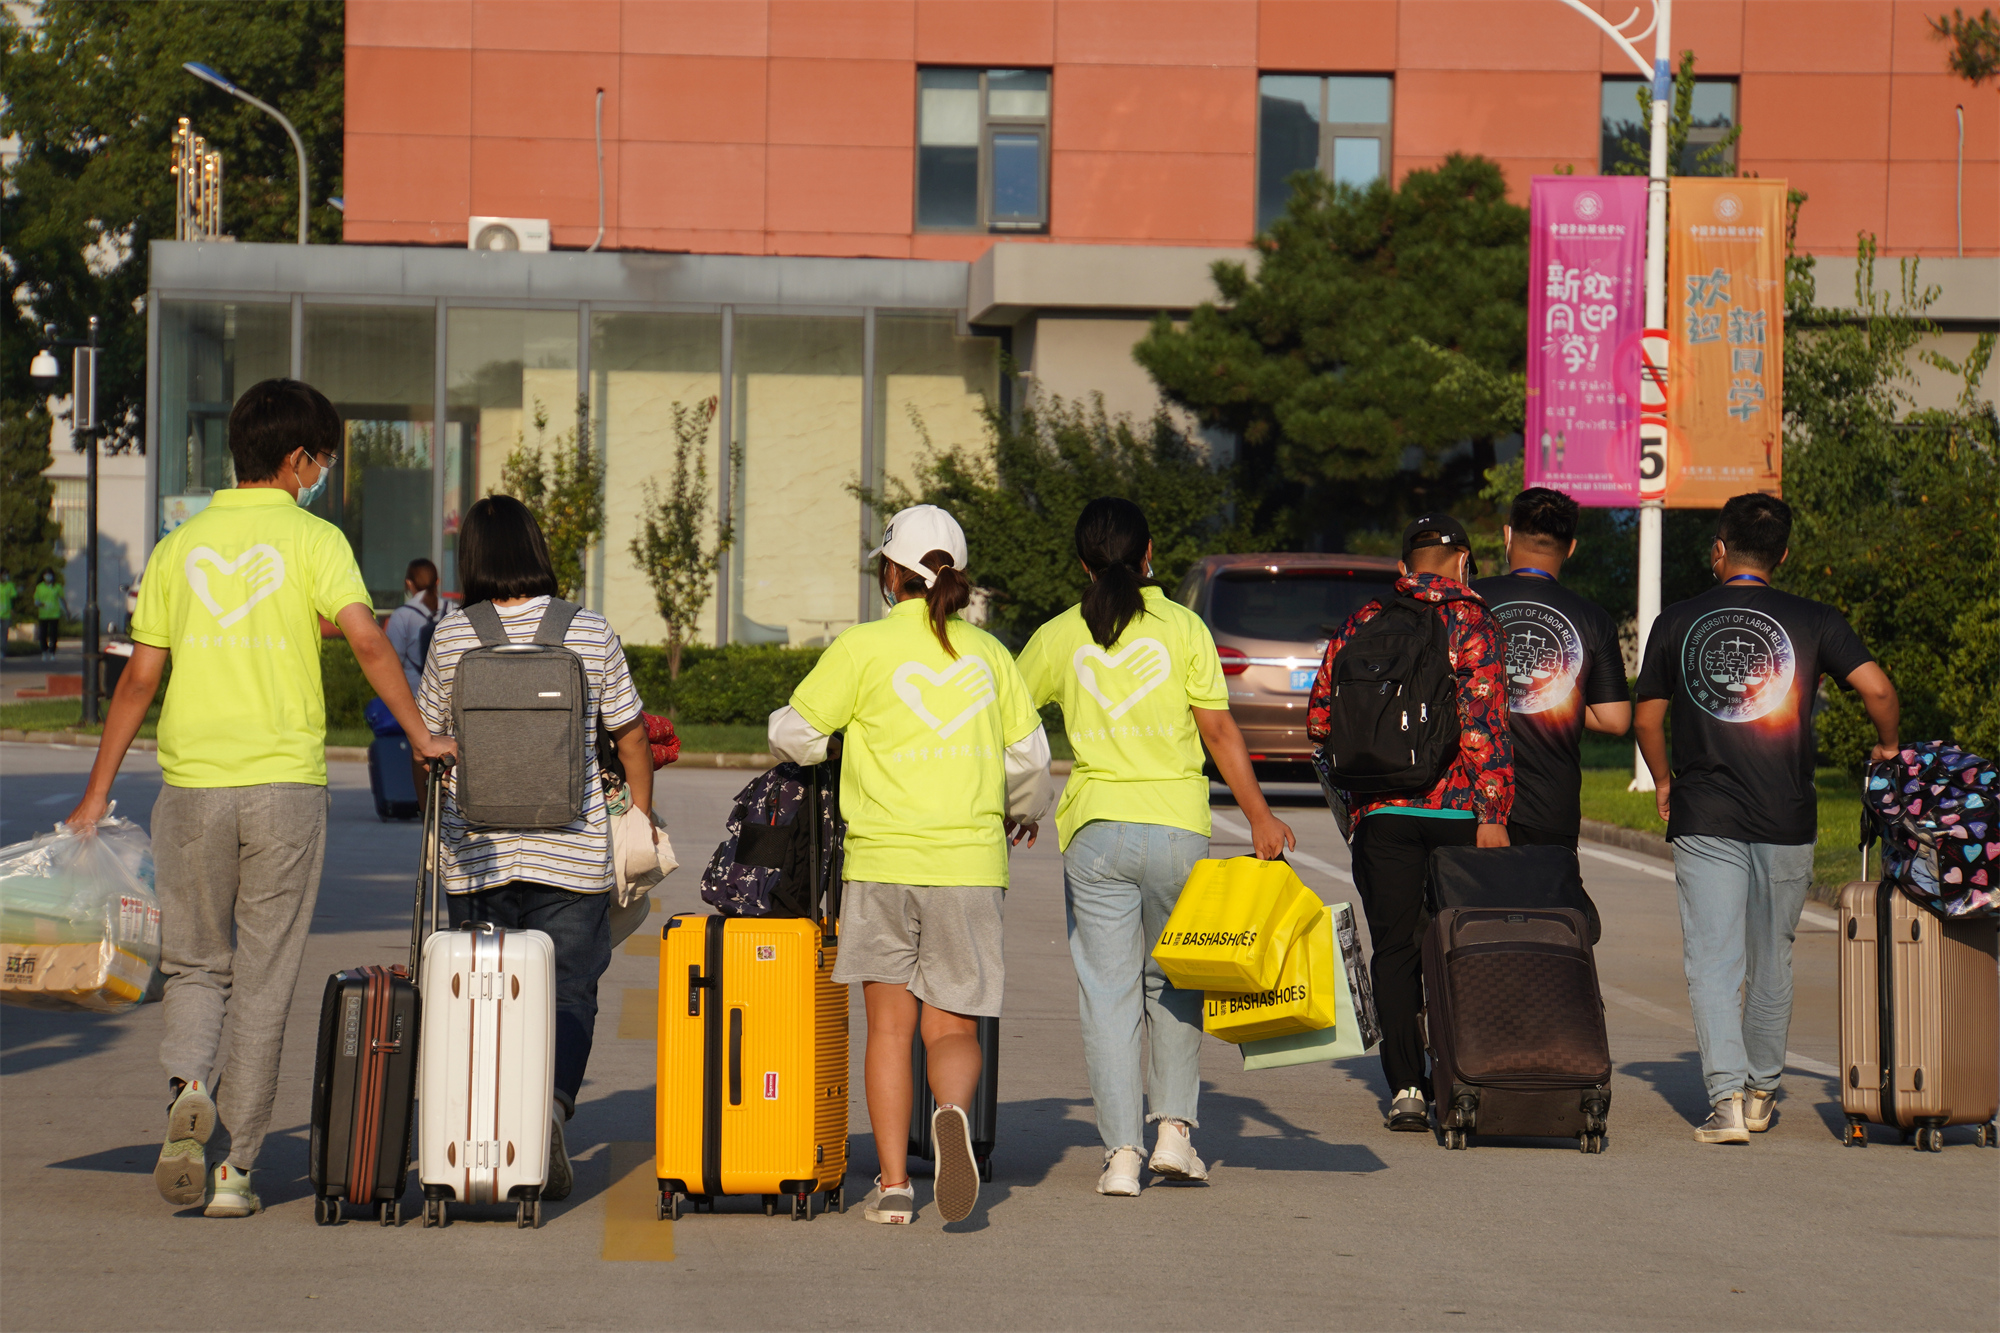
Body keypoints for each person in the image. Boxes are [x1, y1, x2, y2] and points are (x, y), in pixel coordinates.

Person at [62, 378, 454, 1218]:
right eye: (323, 461)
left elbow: (139, 680)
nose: (323, 475)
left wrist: (95, 796)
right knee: (266, 976)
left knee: (196, 964)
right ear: (297, 459)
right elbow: (367, 641)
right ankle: (235, 1171)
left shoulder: (179, 546)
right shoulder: (315, 540)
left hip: (192, 786)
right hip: (284, 787)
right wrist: (422, 735)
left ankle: (189, 1086)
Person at [768, 504, 1050, 1227]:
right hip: (969, 863)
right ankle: (950, 1113)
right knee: (951, 1028)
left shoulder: (862, 648)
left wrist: (833, 747)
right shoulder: (990, 655)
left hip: (881, 860)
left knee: (889, 1030)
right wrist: (1022, 810)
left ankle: (894, 1187)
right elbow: (1030, 760)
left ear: (892, 574)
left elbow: (792, 733)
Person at [1017, 497, 1295, 1197]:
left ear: (1082, 562)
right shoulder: (1184, 627)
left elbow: (1010, 721)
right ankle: (1174, 1133)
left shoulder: (1060, 633)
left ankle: (1120, 1156)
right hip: (1177, 829)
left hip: (1095, 831)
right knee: (1176, 979)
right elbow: (1218, 731)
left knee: (1108, 995)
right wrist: (1260, 816)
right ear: (1149, 553)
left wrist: (1017, 803)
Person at [1634, 492, 1897, 1144]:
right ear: (1783, 554)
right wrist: (1889, 747)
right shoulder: (1815, 619)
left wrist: (1664, 779)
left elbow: (1646, 717)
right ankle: (1759, 1093)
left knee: (1712, 960)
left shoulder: (1677, 619)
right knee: (1771, 959)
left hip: (1704, 812)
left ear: (1719, 549)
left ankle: (1724, 1102)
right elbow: (1878, 689)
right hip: (1787, 812)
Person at [418, 494, 653, 1200]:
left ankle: (491, 1131)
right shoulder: (589, 630)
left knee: (482, 996)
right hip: (571, 853)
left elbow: (428, 743)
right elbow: (631, 736)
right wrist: (638, 817)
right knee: (570, 990)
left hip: (477, 857)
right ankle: (550, 1105)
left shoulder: (452, 637)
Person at [1306, 512, 1512, 1134]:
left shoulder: (1361, 622)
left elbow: (1319, 722)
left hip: (1381, 815)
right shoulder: (1471, 621)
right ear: (1464, 562)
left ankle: (1406, 1089)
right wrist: (1493, 814)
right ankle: (1464, 1073)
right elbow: (1483, 725)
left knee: (1394, 949)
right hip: (1457, 812)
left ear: (1403, 568)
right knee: (1461, 944)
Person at [1472, 487, 1631, 849]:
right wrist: (1552, 694)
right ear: (1571, 548)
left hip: (1468, 801)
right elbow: (1615, 719)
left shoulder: (1468, 600)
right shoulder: (1593, 618)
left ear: (1507, 536)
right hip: (1550, 806)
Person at [384, 556, 442, 697]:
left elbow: (393, 662)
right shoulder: (454, 610)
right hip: (450, 697)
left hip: (415, 695)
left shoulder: (401, 616)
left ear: (409, 584)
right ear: (437, 582)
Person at [34, 567, 64, 659]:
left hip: (54, 614)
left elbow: (62, 599)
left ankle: (52, 652)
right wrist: (39, 604)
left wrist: (66, 611)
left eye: (50, 575)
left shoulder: (57, 587)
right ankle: (44, 650)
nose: (48, 577)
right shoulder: (39, 587)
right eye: (46, 575)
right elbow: (36, 599)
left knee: (53, 634)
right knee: (43, 634)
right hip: (43, 614)